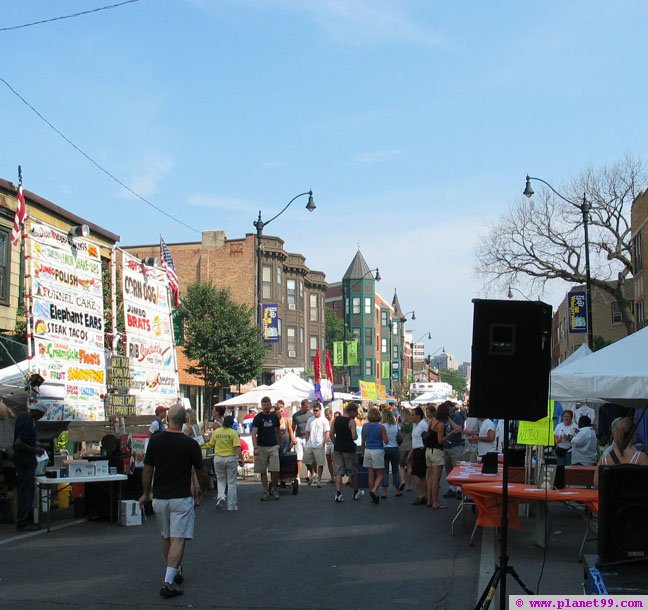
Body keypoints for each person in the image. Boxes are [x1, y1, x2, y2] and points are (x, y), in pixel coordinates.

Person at [139, 402, 204, 599]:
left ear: (167, 419)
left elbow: (148, 470)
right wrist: (201, 491)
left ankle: (174, 570)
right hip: (181, 498)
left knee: (166, 536)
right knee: (178, 538)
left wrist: (145, 493)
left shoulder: (155, 441)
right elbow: (200, 471)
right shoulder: (190, 444)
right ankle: (167, 581)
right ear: (185, 420)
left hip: (160, 498)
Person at [13, 403, 47, 531]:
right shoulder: (28, 422)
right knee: (26, 493)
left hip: (21, 461)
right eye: (41, 415)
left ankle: (23, 520)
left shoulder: (22, 416)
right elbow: (19, 443)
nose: (40, 418)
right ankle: (23, 523)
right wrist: (35, 450)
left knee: (24, 491)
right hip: (25, 462)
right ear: (37, 412)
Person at [594, 417, 648, 488]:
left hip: (611, 499)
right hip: (635, 498)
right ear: (633, 434)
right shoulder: (641, 457)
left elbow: (596, 484)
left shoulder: (606, 458)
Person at [209, 415, 242, 511]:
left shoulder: (217, 431)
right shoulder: (233, 433)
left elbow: (212, 444)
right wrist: (242, 459)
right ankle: (231, 506)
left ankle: (221, 496)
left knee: (220, 479)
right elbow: (237, 448)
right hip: (230, 458)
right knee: (231, 482)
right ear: (232, 424)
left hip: (218, 458)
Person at [251, 396, 281, 501]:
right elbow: (254, 433)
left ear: (270, 405)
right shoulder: (258, 417)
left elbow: (278, 431)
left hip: (273, 446)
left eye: (267, 405)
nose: (265, 407)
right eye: (263, 405)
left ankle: (274, 488)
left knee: (275, 469)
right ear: (261, 406)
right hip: (261, 446)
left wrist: (279, 444)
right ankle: (265, 490)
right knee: (262, 470)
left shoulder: (275, 417)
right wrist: (255, 447)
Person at [332, 402, 360, 502]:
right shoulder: (351, 421)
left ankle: (338, 493)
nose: (357, 413)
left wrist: (335, 442)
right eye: (356, 411)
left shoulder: (336, 419)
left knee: (338, 472)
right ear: (351, 411)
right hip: (349, 449)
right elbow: (354, 436)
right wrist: (356, 436)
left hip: (338, 448)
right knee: (353, 471)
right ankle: (356, 492)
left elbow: (331, 433)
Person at [361, 406, 388, 504]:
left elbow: (363, 441)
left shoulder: (365, 426)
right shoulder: (381, 427)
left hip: (368, 450)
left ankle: (372, 493)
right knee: (380, 474)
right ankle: (374, 490)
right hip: (377, 450)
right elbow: (386, 441)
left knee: (370, 474)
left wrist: (363, 452)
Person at [303, 403, 330, 487]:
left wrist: (324, 442)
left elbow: (327, 432)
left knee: (320, 463)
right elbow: (307, 431)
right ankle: (313, 473)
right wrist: (307, 441)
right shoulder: (310, 419)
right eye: (314, 410)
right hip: (310, 444)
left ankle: (319, 480)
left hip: (319, 444)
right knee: (307, 461)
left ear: (320, 410)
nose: (315, 412)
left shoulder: (324, 420)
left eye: (316, 410)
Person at [442, 402, 465, 499]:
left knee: (457, 468)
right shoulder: (443, 418)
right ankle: (452, 488)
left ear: (452, 408)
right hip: (446, 446)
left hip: (456, 446)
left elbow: (458, 429)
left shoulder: (458, 416)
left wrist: (449, 419)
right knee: (448, 468)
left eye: (449, 408)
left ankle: (459, 489)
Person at [407, 407, 428, 506]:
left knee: (415, 473)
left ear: (418, 415)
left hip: (421, 450)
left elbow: (427, 437)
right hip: (416, 450)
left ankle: (421, 495)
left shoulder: (423, 425)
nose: (411, 417)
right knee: (421, 475)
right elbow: (414, 440)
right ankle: (425, 495)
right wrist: (410, 453)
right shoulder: (415, 425)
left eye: (413, 415)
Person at [380, 408, 401, 499]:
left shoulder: (382, 426)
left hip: (384, 449)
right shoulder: (396, 426)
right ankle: (397, 490)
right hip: (395, 448)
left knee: (385, 471)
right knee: (395, 470)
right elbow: (400, 437)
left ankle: (384, 491)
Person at [292, 399, 312, 483]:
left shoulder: (310, 415)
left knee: (308, 458)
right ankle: (297, 476)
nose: (308, 408)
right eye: (306, 407)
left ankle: (310, 474)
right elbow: (293, 427)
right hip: (299, 438)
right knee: (299, 458)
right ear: (302, 406)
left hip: (308, 438)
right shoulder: (296, 415)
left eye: (308, 407)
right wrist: (292, 438)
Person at [398, 409, 413, 493]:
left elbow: (400, 437)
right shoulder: (413, 425)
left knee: (402, 466)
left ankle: (402, 481)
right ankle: (409, 485)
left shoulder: (402, 425)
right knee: (410, 465)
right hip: (411, 446)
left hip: (403, 446)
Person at [324, 407, 335, 482]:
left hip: (333, 441)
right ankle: (332, 476)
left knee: (333, 458)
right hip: (327, 442)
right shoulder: (325, 422)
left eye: (328, 415)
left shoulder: (334, 421)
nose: (327, 416)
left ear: (331, 414)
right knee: (328, 460)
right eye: (326, 415)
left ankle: (336, 475)